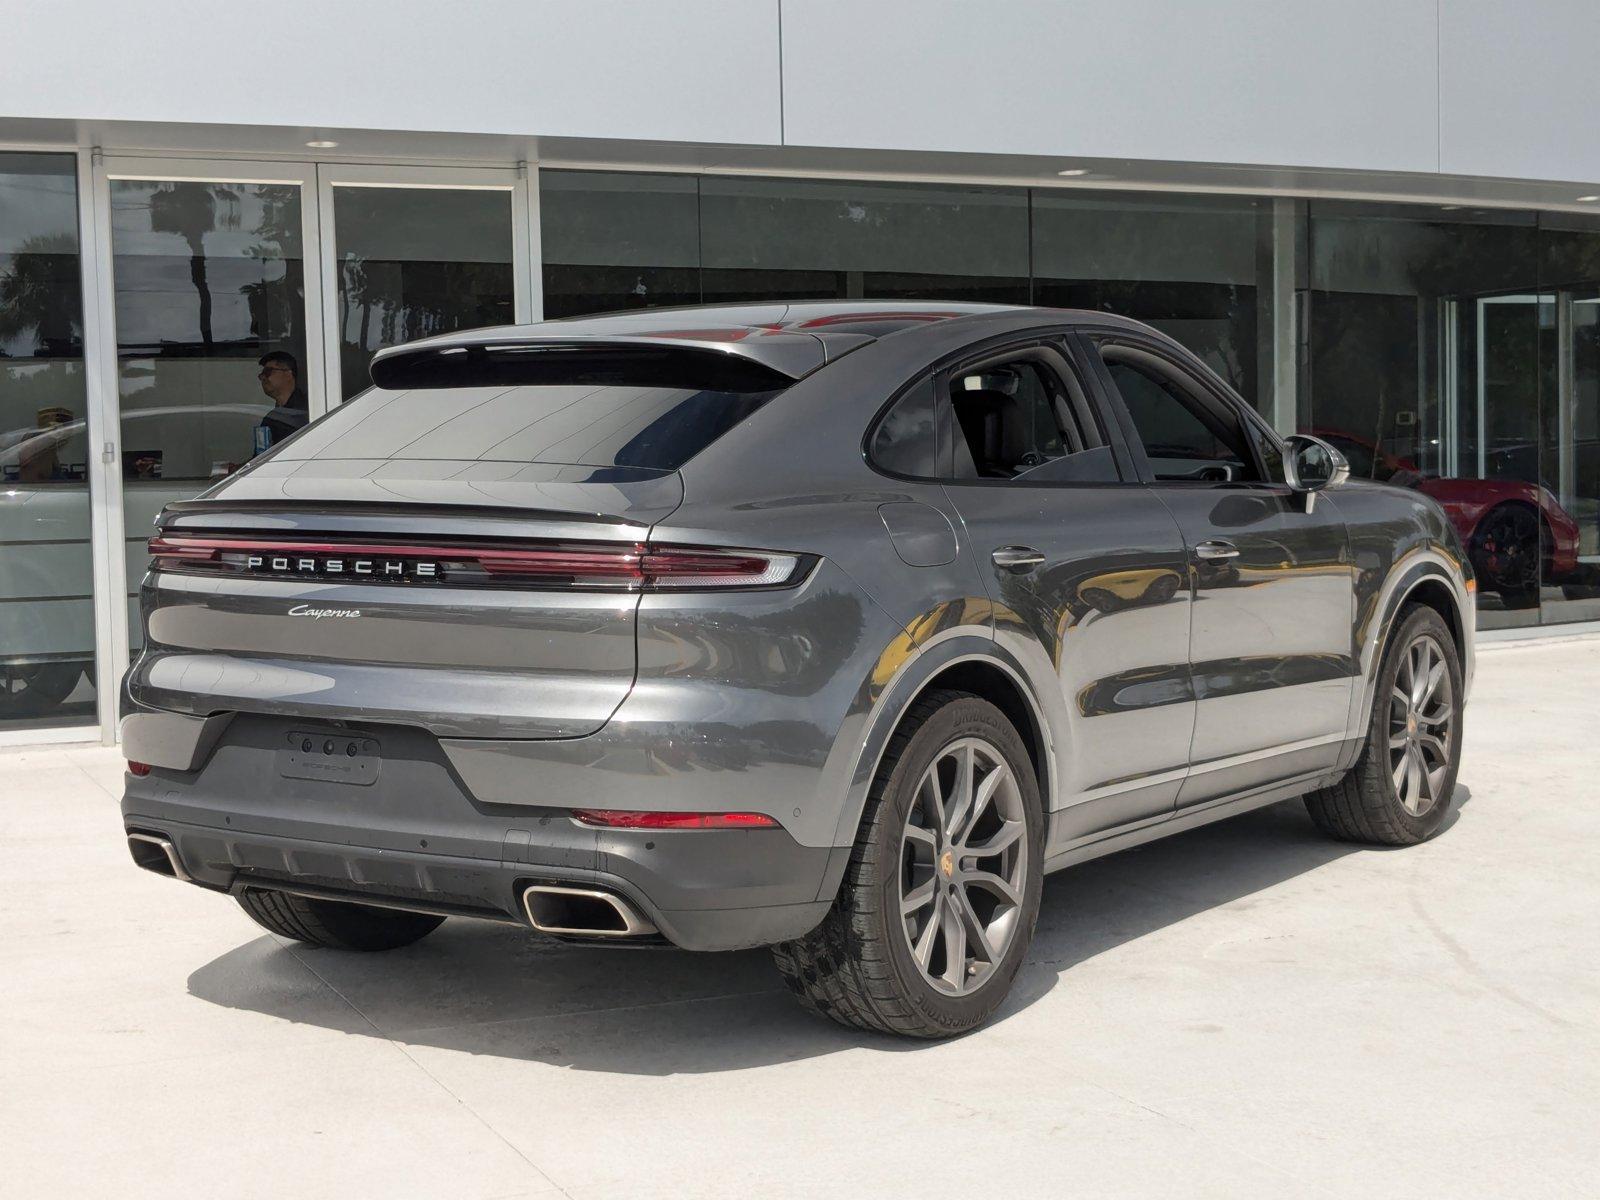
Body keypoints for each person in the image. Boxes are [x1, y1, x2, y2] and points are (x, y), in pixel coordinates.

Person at [255, 350, 309, 452]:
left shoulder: (311, 410)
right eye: (261, 374)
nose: (262, 377)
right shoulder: (270, 418)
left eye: (268, 372)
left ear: (288, 374)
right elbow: (260, 456)